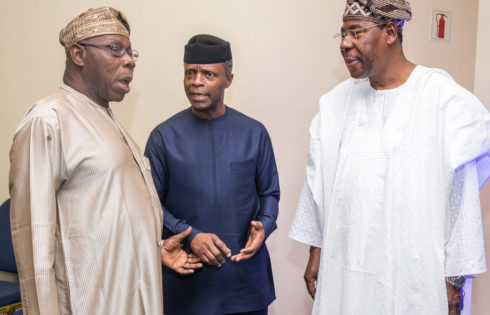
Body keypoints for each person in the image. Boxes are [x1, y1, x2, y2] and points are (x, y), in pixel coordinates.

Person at [289, 0, 489, 314]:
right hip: (347, 271)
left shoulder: (441, 99)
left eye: (356, 32)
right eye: (342, 34)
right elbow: (320, 183)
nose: (344, 44)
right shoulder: (337, 103)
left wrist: (455, 278)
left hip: (415, 273)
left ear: (390, 33)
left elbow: (461, 198)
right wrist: (317, 249)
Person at [9, 7, 201, 315]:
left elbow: (105, 219)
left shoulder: (108, 121)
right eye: (115, 49)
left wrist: (153, 250)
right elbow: (34, 244)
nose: (130, 60)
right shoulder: (49, 120)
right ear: (78, 54)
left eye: (130, 51)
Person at [145, 34, 280, 315]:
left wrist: (265, 225)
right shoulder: (163, 137)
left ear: (228, 79)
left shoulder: (254, 133)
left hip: (244, 282)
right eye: (190, 73)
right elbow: (149, 203)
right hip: (187, 285)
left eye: (208, 74)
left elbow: (269, 192)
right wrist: (190, 234)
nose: (197, 81)